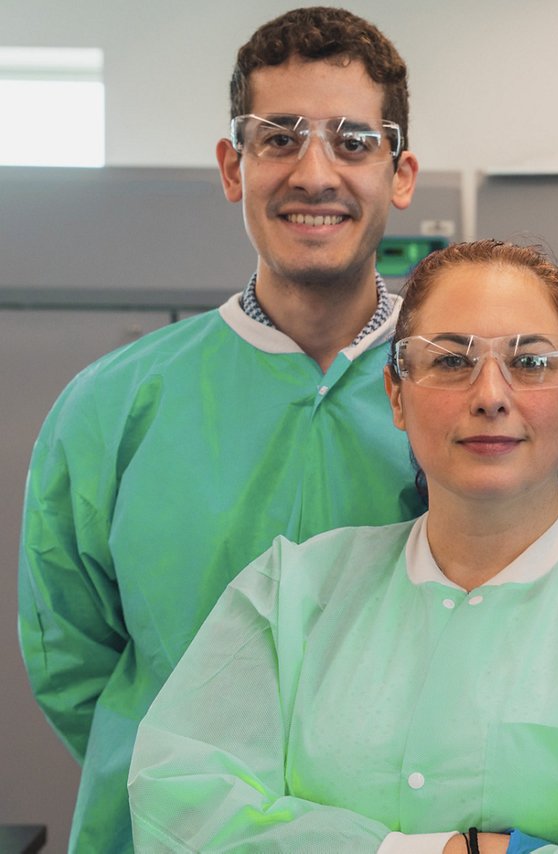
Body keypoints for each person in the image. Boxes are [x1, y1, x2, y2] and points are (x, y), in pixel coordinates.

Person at [127, 240, 558, 853]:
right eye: (451, 361)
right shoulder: (293, 588)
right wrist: (451, 850)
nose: (490, 395)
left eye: (529, 363)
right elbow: (181, 806)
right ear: (396, 394)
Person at [18, 9, 426, 850]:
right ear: (233, 167)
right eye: (278, 138)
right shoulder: (114, 406)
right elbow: (74, 663)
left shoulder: (462, 399)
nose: (315, 173)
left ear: (401, 173)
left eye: (353, 141)